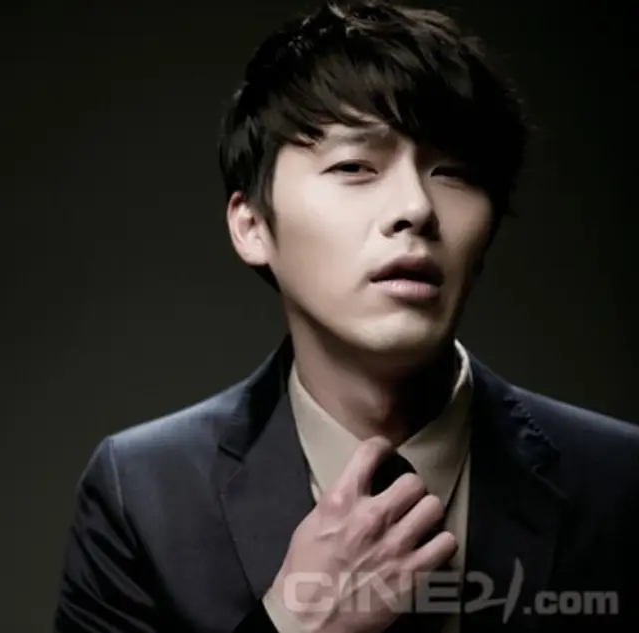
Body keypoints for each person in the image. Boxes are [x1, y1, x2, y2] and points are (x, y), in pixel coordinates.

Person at [51, 1, 639, 631]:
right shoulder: (142, 495)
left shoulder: (621, 484)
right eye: (355, 167)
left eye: (454, 172)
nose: (416, 207)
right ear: (252, 225)